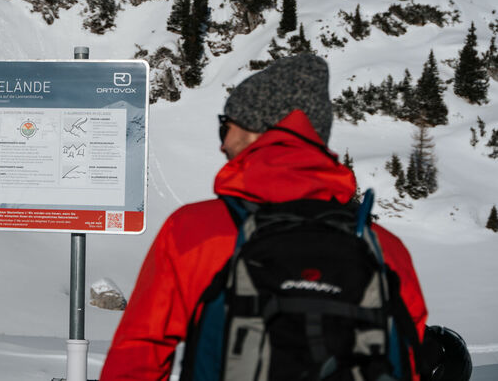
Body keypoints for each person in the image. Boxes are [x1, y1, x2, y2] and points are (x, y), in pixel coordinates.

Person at [100, 54, 429, 380]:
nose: (223, 143)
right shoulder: (385, 250)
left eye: (225, 126)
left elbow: (137, 358)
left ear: (259, 129)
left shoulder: (194, 233)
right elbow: (407, 363)